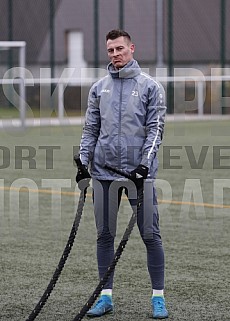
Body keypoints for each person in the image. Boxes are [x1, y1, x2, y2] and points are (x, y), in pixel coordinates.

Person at [75, 29, 168, 319]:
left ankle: (158, 298)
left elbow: (156, 130)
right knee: (104, 236)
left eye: (119, 49)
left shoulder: (151, 87)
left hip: (141, 176)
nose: (115, 54)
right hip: (103, 174)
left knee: (151, 235)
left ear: (132, 48)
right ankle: (105, 297)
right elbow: (90, 129)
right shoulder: (98, 87)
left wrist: (144, 164)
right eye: (110, 50)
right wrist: (82, 161)